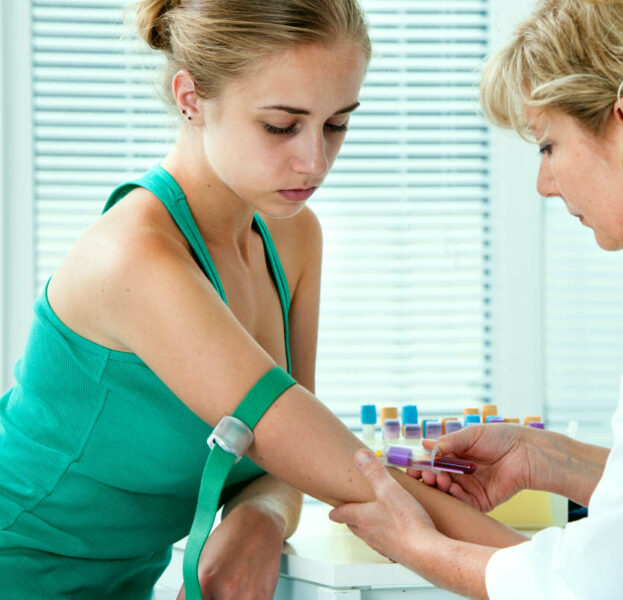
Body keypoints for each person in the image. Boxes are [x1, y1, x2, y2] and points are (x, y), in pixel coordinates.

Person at [0, 1, 526, 598]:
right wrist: (570, 576)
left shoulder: (294, 235)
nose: (315, 161)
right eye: (281, 126)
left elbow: (291, 461)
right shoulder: (135, 259)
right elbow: (348, 474)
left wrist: (263, 516)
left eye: (337, 124)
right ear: (191, 98)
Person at [329, 1, 623, 598]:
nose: (544, 184)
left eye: (548, 146)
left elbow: (613, 587)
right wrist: (548, 458)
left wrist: (420, 548)